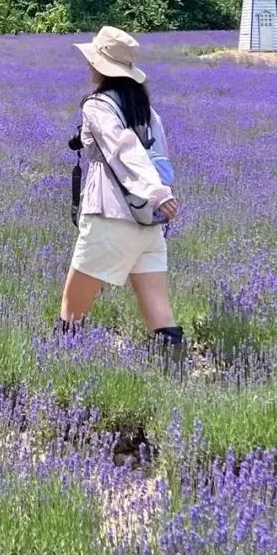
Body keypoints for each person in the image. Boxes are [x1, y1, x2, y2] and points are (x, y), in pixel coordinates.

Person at [58, 25, 184, 353]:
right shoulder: (145, 109)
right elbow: (158, 156)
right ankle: (174, 371)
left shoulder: (97, 105)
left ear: (102, 66)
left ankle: (61, 363)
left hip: (111, 218)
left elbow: (124, 149)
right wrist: (159, 194)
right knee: (160, 314)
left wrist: (157, 191)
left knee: (72, 311)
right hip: (148, 223)